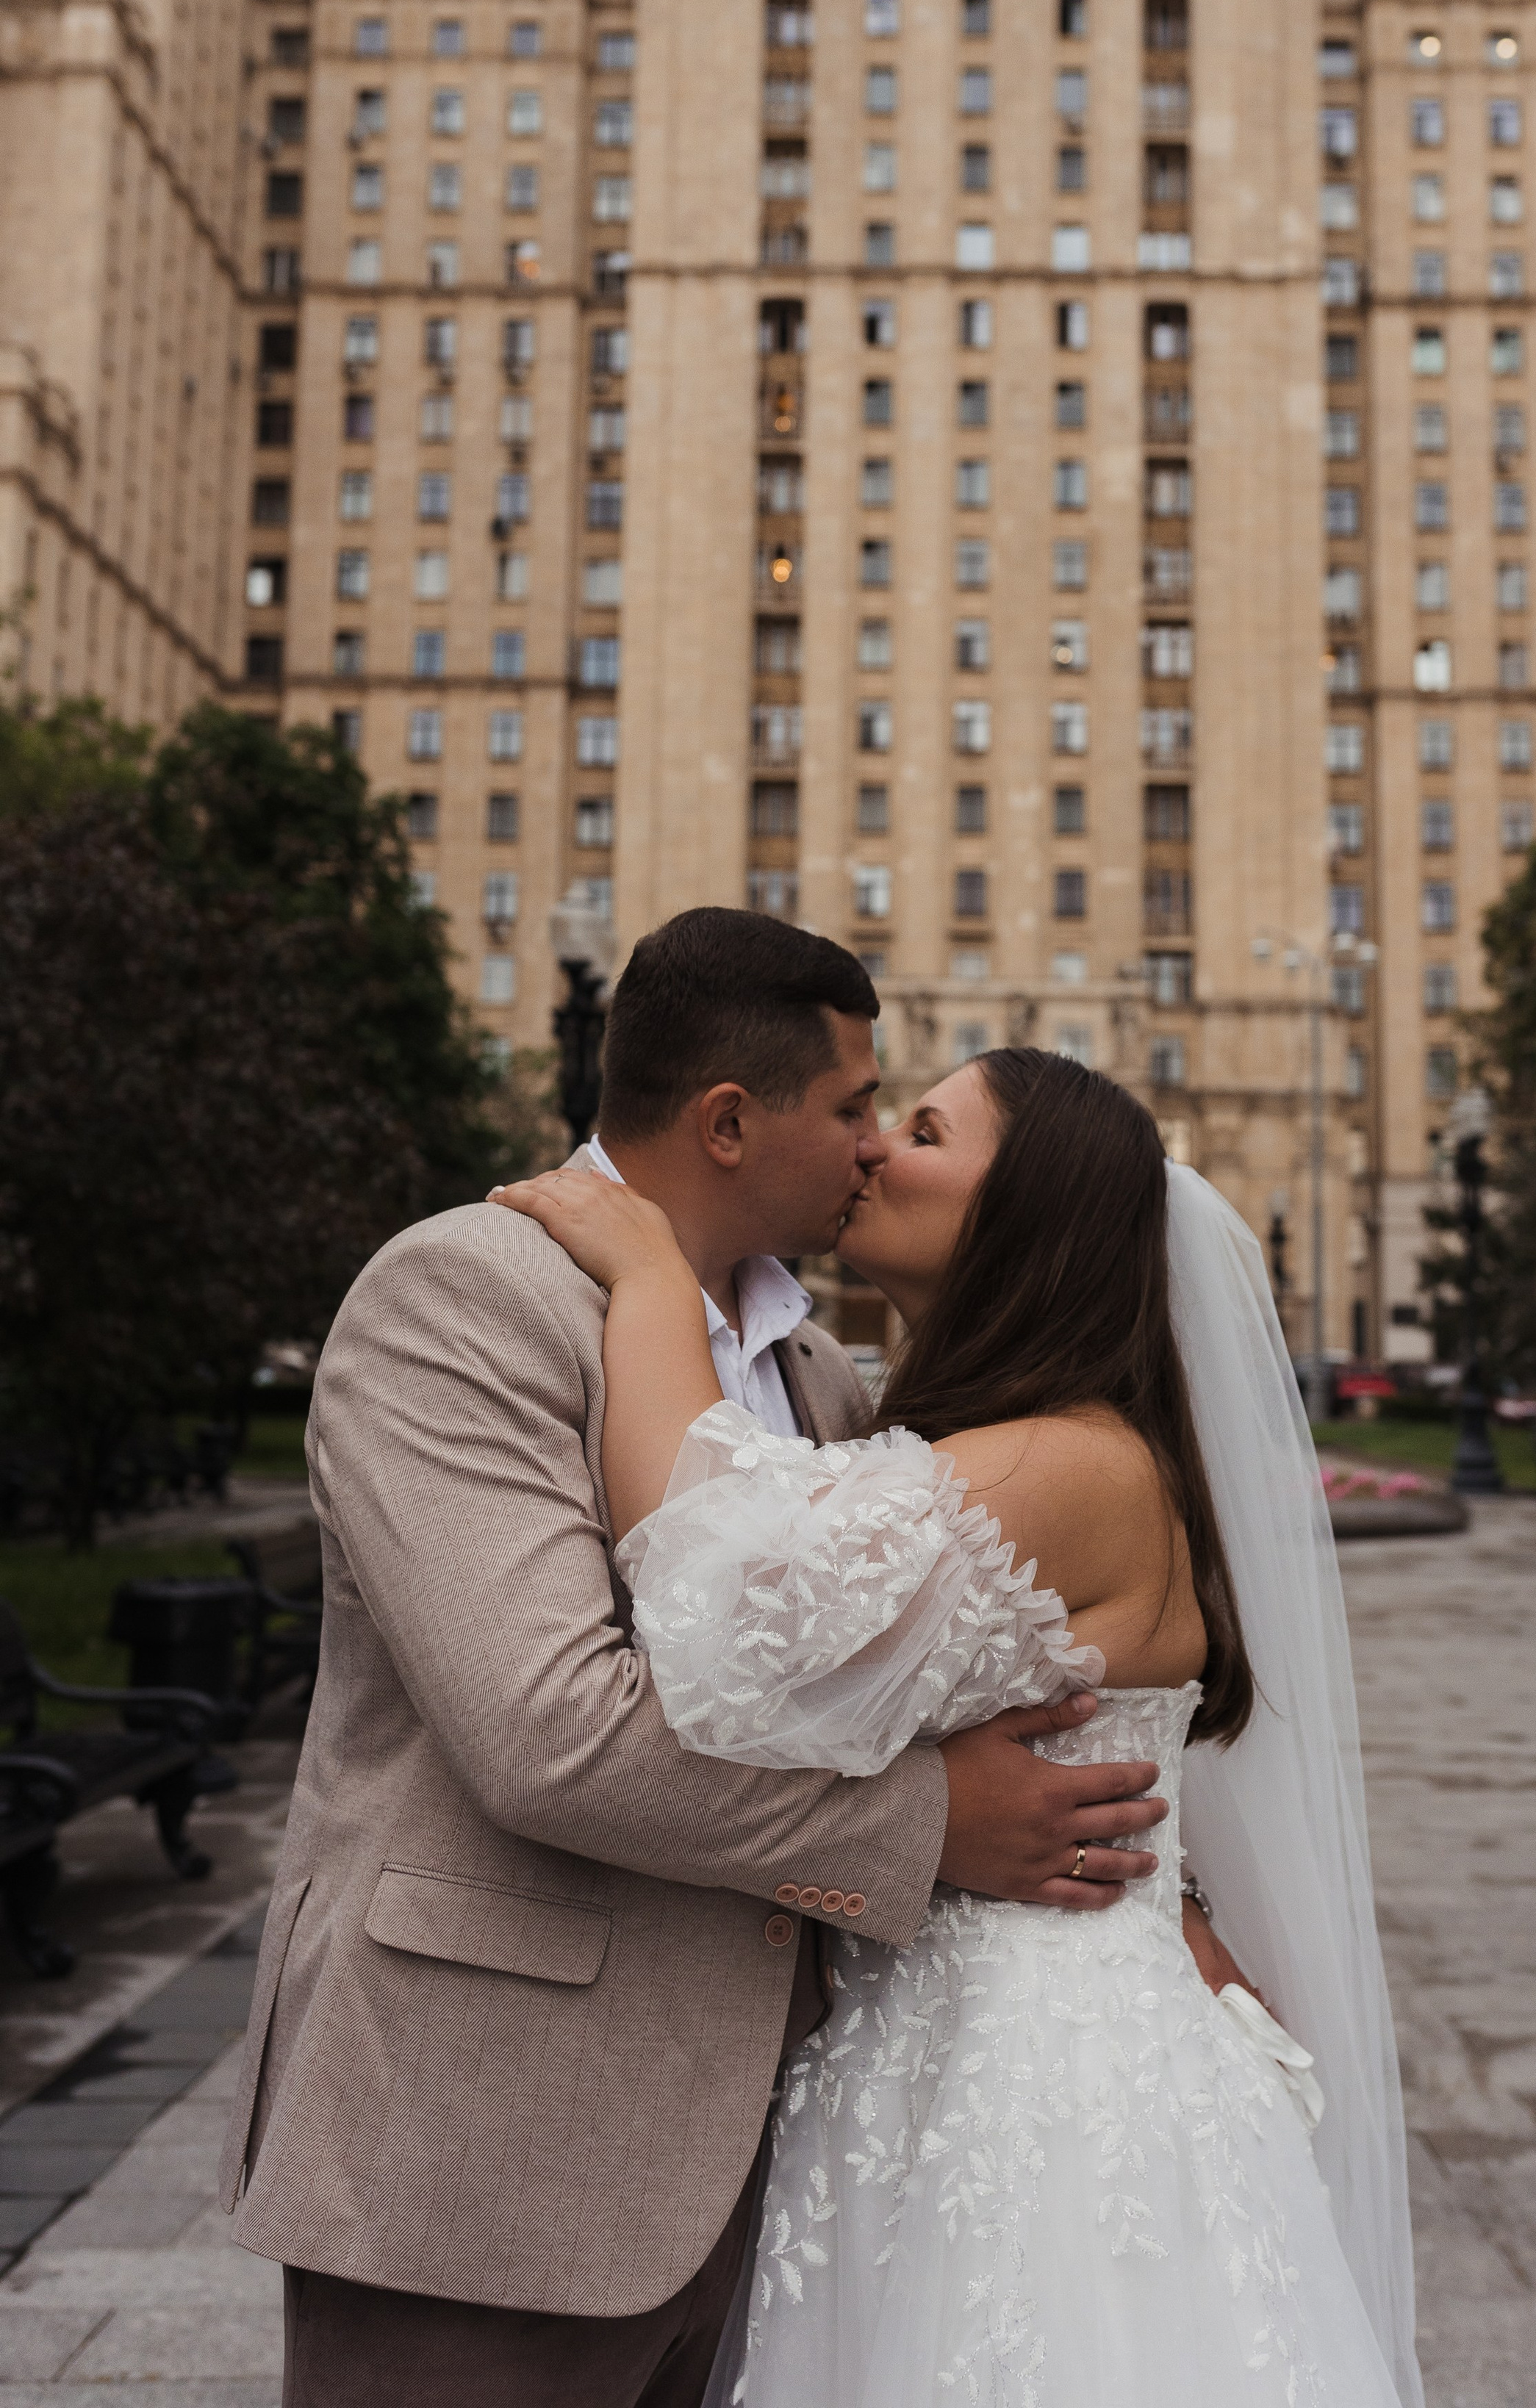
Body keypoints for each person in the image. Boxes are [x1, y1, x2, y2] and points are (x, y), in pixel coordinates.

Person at [220, 910, 1174, 2408]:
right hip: (487, 2158)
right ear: (730, 1121)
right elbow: (552, 1734)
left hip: (762, 2170)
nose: (873, 1148)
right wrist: (927, 1830)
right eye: (859, 1108)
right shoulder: (462, 1295)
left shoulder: (821, 1371)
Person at [495, 1047, 1423, 2407]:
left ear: (1026, 1214)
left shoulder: (1063, 1461)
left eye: (923, 1128)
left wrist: (647, 1287)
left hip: (1031, 2089)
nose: (872, 1150)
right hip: (955, 2055)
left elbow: (721, 1611)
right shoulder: (1021, 1442)